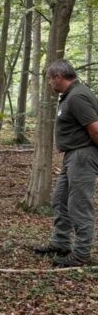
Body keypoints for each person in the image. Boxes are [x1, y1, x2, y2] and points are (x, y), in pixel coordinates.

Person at [34, 59, 98, 268]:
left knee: (79, 204)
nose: (50, 85)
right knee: (60, 200)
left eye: (50, 80)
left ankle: (81, 254)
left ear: (58, 77)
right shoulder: (70, 95)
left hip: (82, 155)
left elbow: (95, 129)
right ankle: (61, 242)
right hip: (72, 156)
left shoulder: (78, 96)